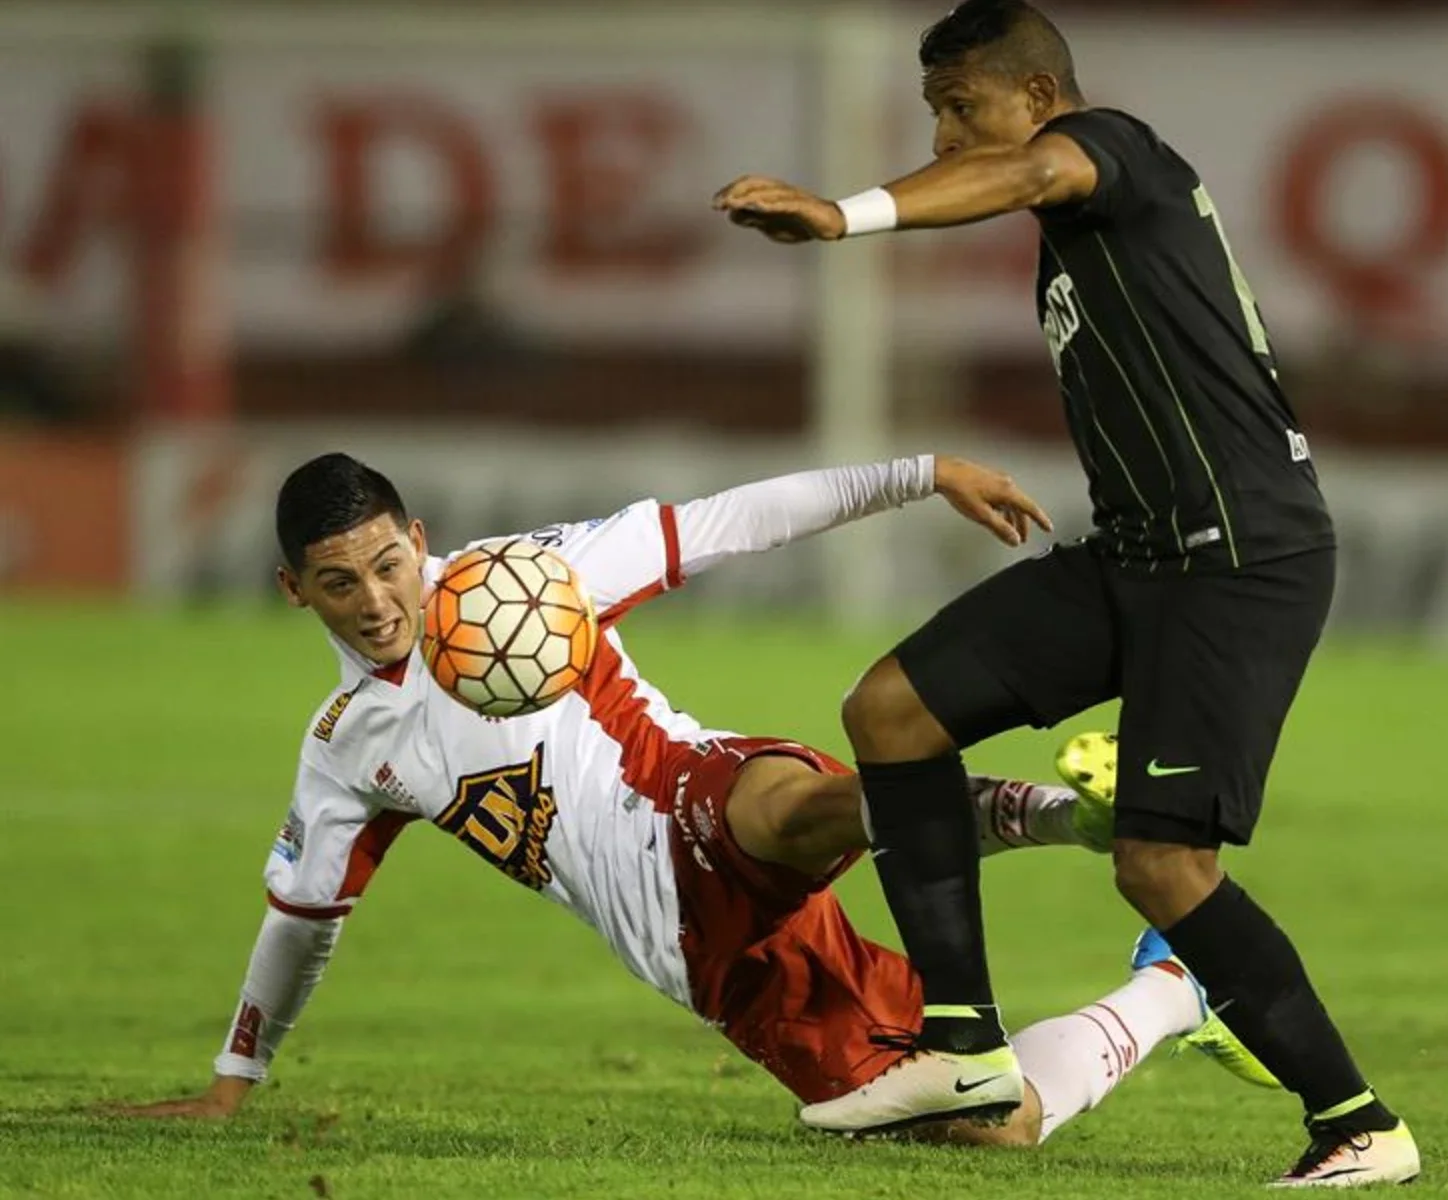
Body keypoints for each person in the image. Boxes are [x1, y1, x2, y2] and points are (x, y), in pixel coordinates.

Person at [713, 0, 1418, 1186]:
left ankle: (1355, 1122)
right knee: (892, 711)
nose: (943, 137)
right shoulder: (1084, 229)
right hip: (1142, 553)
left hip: (1237, 562)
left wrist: (844, 215)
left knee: (1160, 869)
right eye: (932, 112)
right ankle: (962, 1049)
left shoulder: (1117, 150)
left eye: (959, 107)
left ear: (1038, 96)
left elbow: (1034, 168)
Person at [107, 451, 1266, 1148]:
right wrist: (233, 1083)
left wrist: (918, 474)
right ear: (292, 592)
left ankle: (1066, 816)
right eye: (337, 583)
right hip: (706, 960)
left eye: (388, 562)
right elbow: (302, 922)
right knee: (995, 1124)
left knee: (787, 814)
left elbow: (722, 522)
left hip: (695, 794)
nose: (375, 600)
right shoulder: (347, 750)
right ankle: (1172, 985)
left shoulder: (527, 577)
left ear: (419, 539)